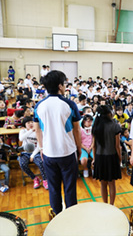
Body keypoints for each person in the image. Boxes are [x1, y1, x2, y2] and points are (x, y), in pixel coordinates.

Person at [34, 70, 82, 215]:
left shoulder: (39, 106)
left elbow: (37, 131)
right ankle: (70, 216)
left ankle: (57, 216)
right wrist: (79, 149)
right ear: (60, 86)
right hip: (67, 152)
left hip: (48, 153)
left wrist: (42, 148)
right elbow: (76, 131)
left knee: (54, 188)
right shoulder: (69, 104)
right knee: (69, 188)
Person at [92, 105, 122, 205]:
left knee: (103, 183)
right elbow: (117, 146)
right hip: (111, 157)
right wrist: (120, 158)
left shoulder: (96, 126)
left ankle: (105, 204)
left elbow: (94, 146)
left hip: (99, 157)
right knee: (111, 183)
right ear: (109, 114)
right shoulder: (115, 126)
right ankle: (112, 205)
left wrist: (94, 159)